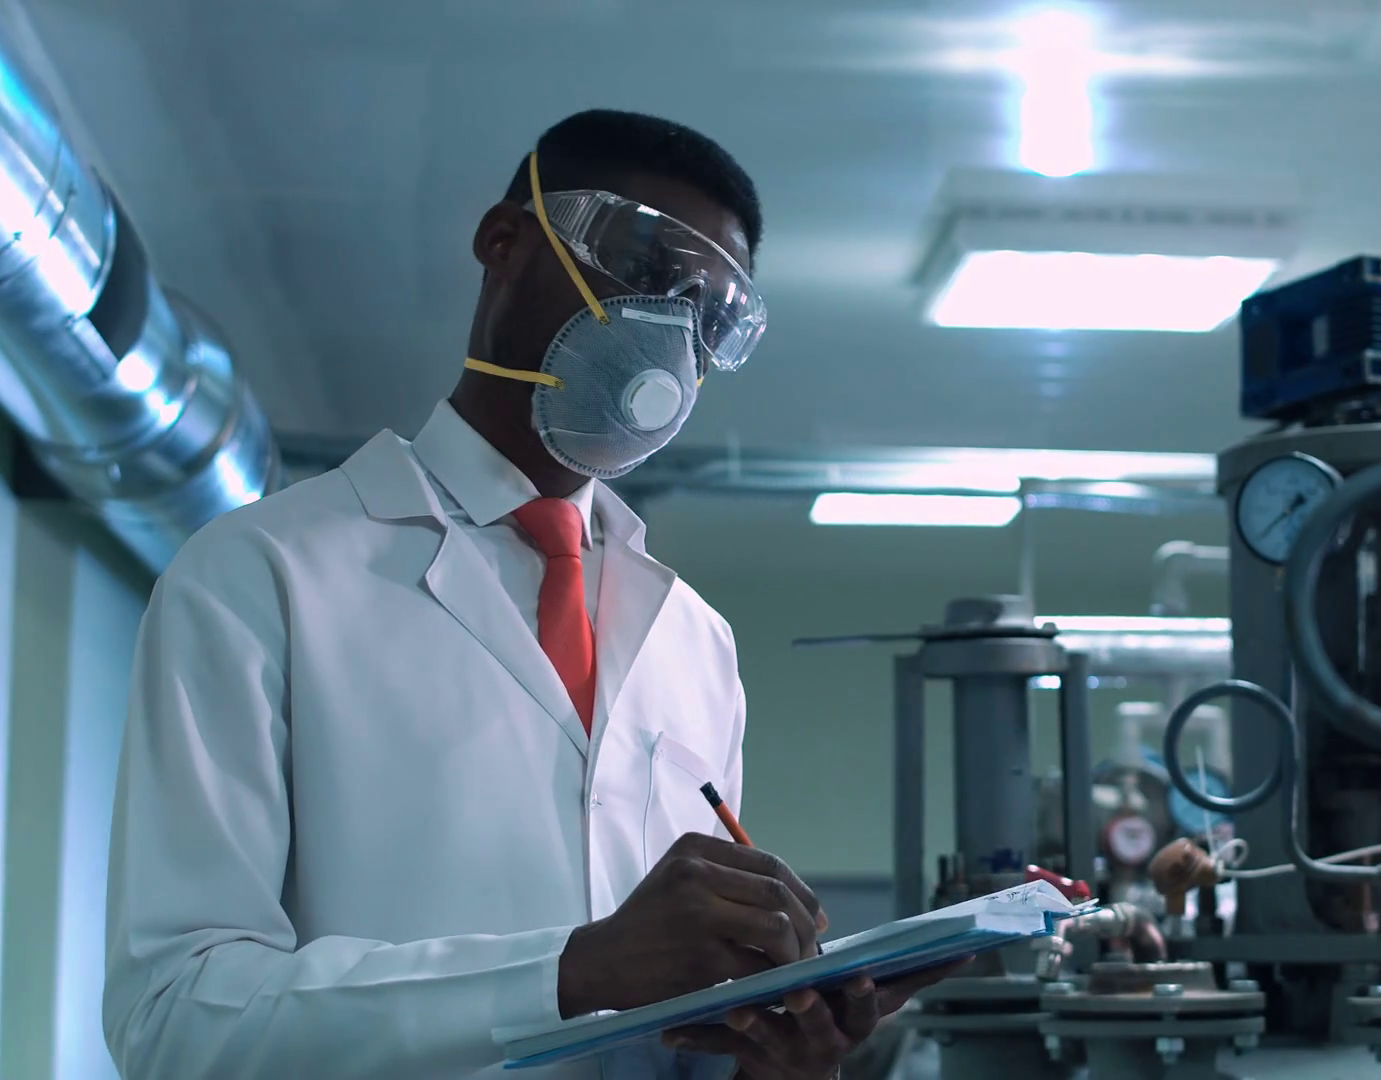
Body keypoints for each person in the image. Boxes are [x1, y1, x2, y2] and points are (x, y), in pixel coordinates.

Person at [102, 110, 955, 1080]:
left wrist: (778, 1059)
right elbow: (176, 1019)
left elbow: (678, 1036)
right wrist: (576, 968)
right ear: (504, 241)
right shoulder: (260, 577)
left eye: (709, 313)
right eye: (643, 267)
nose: (671, 332)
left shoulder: (694, 644)